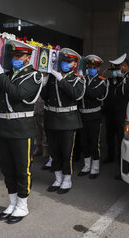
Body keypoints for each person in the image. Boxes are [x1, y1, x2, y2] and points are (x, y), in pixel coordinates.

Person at [0, 39, 46, 224]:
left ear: (28, 58)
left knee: (22, 169)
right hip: (3, 128)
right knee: (7, 168)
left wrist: (0, 76)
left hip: (21, 129)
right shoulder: (7, 75)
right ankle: (12, 202)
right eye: (13, 55)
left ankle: (22, 205)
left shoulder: (34, 76)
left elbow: (17, 93)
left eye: (19, 55)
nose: (15, 58)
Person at [41, 48, 85, 194]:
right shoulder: (52, 77)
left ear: (74, 64)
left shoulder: (78, 79)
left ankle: (67, 179)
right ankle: (57, 178)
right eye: (63, 61)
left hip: (68, 120)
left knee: (67, 152)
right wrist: (45, 80)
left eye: (68, 61)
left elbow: (76, 95)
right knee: (54, 152)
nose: (65, 64)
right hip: (52, 119)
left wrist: (61, 79)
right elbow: (45, 97)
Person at [103, 53, 129, 180]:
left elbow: (128, 96)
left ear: (124, 66)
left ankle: (122, 168)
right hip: (114, 114)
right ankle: (113, 159)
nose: (116, 71)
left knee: (122, 142)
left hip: (124, 116)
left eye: (117, 68)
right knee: (111, 138)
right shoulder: (121, 78)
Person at [77, 55, 109, 179]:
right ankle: (86, 166)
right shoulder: (82, 79)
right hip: (82, 114)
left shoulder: (102, 81)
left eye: (94, 67)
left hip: (94, 116)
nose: (91, 69)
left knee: (94, 142)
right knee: (84, 141)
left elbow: (94, 94)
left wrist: (82, 85)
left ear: (99, 68)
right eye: (89, 67)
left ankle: (95, 168)